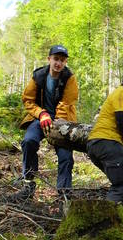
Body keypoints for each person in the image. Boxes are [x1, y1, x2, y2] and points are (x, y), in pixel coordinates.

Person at [13, 44, 78, 201]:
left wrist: (56, 126)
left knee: (65, 156)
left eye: (62, 60)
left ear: (65, 62)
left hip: (62, 121)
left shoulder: (69, 78)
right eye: (56, 59)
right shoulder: (39, 76)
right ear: (49, 59)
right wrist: (41, 114)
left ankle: (64, 194)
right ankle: (28, 182)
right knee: (29, 141)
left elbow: (67, 103)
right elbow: (28, 100)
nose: (58, 63)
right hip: (40, 118)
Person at [86, 62, 123, 215]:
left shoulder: (122, 93)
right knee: (122, 186)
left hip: (98, 144)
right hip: (107, 143)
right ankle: (99, 223)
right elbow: (120, 119)